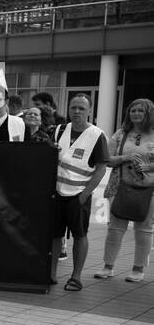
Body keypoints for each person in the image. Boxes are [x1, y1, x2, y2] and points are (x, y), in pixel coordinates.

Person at [50, 94, 108, 291]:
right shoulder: (59, 129)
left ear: (89, 111)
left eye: (81, 108)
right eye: (73, 107)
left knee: (79, 235)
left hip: (79, 195)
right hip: (57, 193)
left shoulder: (97, 135)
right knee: (55, 235)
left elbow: (101, 167)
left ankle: (76, 277)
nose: (76, 111)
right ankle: (51, 273)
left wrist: (85, 194)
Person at [94, 98, 154, 284]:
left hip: (149, 188)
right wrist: (125, 157)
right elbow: (107, 159)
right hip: (120, 186)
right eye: (133, 110)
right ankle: (108, 266)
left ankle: (138, 269)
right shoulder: (121, 134)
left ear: (149, 114)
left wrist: (149, 166)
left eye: (140, 111)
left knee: (144, 229)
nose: (135, 113)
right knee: (115, 228)